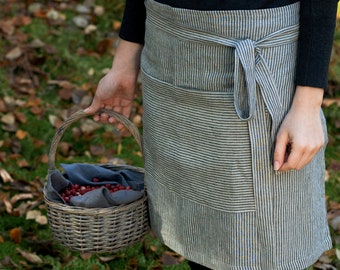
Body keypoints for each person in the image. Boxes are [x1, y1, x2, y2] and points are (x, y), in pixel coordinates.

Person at [85, 0, 338, 269]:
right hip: (167, 52)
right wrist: (124, 64)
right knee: (198, 236)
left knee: (257, 246)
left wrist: (308, 103)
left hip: (252, 56)